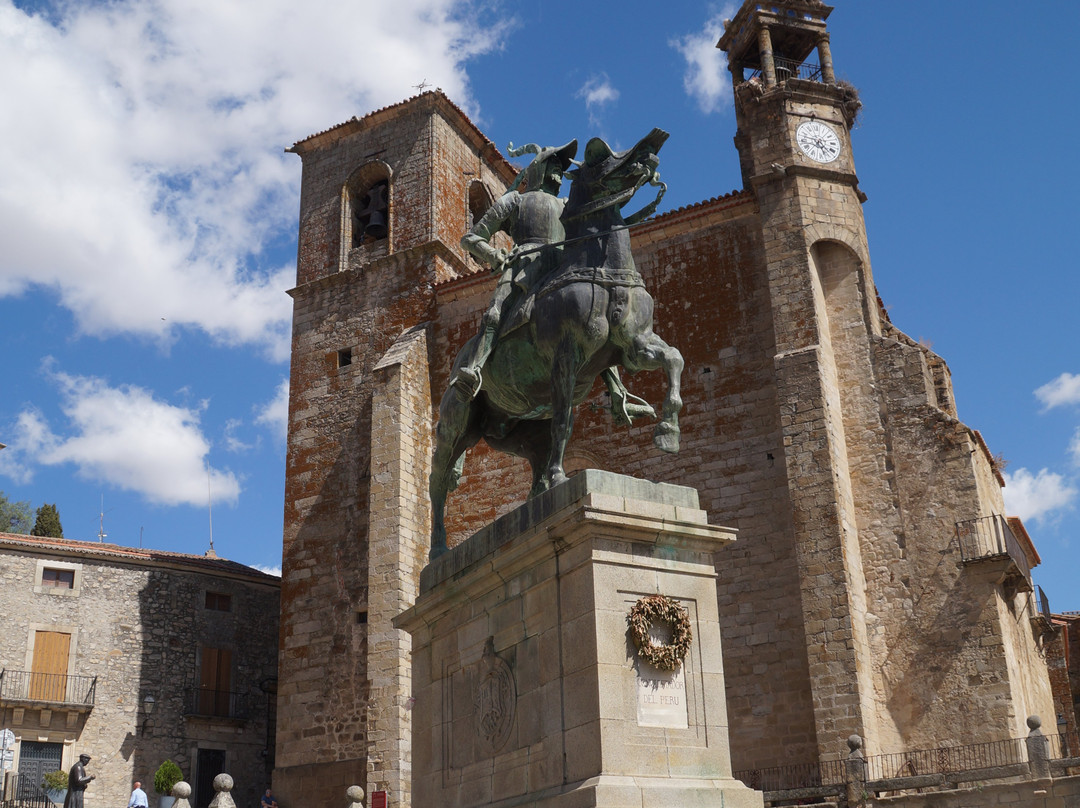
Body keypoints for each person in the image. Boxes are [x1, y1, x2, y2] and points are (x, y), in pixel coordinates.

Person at [457, 140, 653, 425]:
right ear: (540, 169)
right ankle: (473, 371)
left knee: (590, 319)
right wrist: (493, 254)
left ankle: (618, 394)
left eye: (562, 167)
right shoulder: (516, 200)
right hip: (525, 266)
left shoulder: (566, 205)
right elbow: (471, 238)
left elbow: (605, 200)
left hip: (564, 266)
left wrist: (638, 177)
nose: (559, 171)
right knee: (495, 314)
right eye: (554, 164)